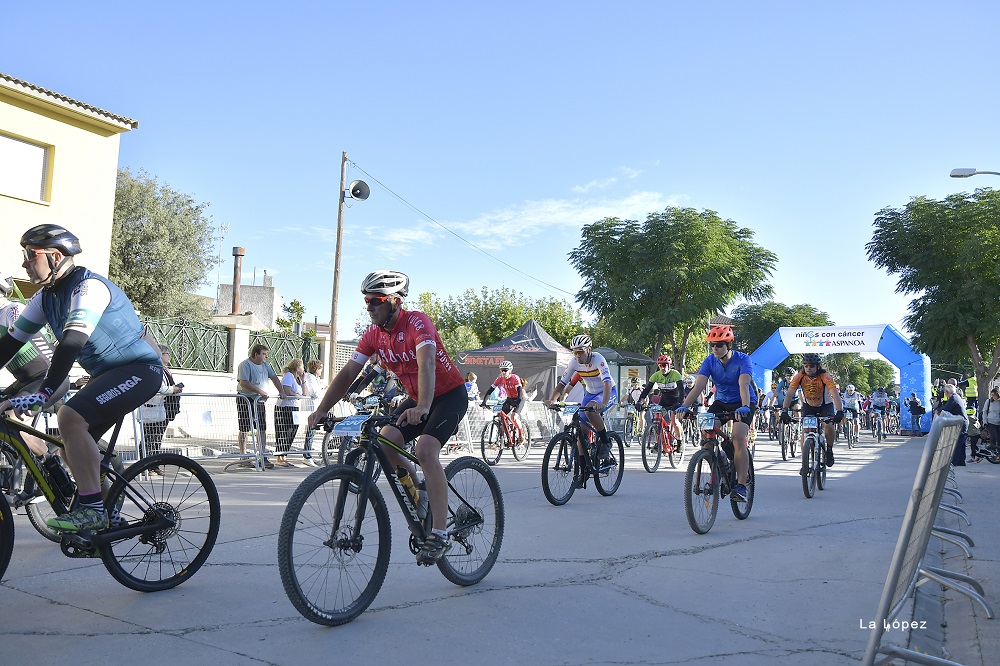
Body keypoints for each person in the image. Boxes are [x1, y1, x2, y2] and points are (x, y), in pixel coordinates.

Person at [0, 225, 163, 533]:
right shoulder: (45, 298)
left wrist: (45, 392)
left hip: (140, 370)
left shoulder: (88, 288)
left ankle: (91, 510)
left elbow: (71, 342)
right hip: (109, 375)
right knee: (67, 446)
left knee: (69, 417)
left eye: (29, 255)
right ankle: (108, 516)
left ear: (55, 256)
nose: (24, 262)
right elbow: (8, 345)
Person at [307, 270, 468, 566]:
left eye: (375, 301)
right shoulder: (374, 336)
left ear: (394, 301)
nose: (369, 307)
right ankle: (420, 493)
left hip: (448, 395)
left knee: (425, 449)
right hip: (420, 398)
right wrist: (322, 408)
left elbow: (428, 363)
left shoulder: (418, 322)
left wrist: (423, 406)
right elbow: (348, 374)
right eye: (366, 301)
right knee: (385, 441)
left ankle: (440, 533)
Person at [676, 325, 756, 502]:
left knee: (738, 437)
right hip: (721, 401)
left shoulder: (743, 360)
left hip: (744, 401)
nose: (715, 348)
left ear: (729, 345)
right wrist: (685, 406)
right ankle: (723, 466)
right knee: (707, 437)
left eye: (719, 345)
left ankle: (741, 485)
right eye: (712, 345)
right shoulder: (709, 361)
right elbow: (698, 386)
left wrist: (744, 406)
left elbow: (743, 385)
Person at [0, 270, 70, 458]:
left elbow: (15, 342)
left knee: (13, 421)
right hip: (25, 382)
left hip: (48, 379)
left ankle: (50, 464)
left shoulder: (11, 309)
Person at [545, 334, 618, 481]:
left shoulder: (598, 359)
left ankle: (605, 441)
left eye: (580, 352)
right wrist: (553, 399)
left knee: (592, 410)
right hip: (590, 394)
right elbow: (562, 383)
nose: (577, 355)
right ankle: (583, 471)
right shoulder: (574, 362)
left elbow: (607, 383)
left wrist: (603, 403)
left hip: (607, 392)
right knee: (581, 433)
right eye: (575, 352)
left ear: (589, 350)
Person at [780, 353, 843, 473]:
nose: (808, 368)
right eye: (806, 365)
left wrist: (839, 411)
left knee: (828, 426)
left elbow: (835, 394)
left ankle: (829, 450)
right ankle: (805, 462)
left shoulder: (825, 377)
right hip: (809, 406)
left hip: (825, 405)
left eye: (812, 366)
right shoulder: (799, 377)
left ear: (818, 366)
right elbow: (789, 394)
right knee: (805, 430)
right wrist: (784, 410)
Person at [236, 343, 282, 469]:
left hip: (259, 401)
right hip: (246, 399)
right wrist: (260, 391)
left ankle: (262, 455)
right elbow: (244, 382)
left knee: (262, 428)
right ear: (256, 354)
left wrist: (281, 391)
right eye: (263, 354)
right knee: (244, 427)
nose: (266, 356)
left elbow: (274, 378)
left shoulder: (265, 366)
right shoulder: (245, 365)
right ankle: (243, 456)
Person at [140, 345, 183, 475]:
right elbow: (159, 387)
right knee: (148, 438)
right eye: (167, 353)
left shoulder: (165, 370)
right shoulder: (152, 368)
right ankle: (144, 467)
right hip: (150, 408)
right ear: (160, 354)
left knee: (157, 438)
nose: (169, 356)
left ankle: (154, 465)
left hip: (161, 407)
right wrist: (172, 390)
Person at [635, 354, 684, 445]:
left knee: (674, 420)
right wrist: (640, 401)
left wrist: (680, 403)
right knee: (657, 421)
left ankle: (680, 440)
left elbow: (681, 391)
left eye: (665, 365)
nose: (662, 368)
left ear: (669, 365)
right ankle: (658, 443)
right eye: (660, 365)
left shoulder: (675, 374)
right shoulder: (656, 376)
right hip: (664, 400)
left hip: (675, 400)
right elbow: (646, 390)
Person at [480, 361, 526, 442]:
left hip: (519, 398)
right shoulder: (499, 379)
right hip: (509, 399)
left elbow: (519, 392)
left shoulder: (515, 378)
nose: (503, 372)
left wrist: (517, 403)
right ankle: (504, 437)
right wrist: (484, 402)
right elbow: (490, 390)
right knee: (501, 417)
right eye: (501, 370)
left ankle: (521, 434)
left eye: (505, 370)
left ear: (510, 370)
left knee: (514, 417)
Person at [274, 358, 305, 467]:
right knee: (283, 430)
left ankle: (284, 455)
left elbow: (305, 393)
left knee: (293, 430)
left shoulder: (298, 379)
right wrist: (297, 396)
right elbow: (287, 391)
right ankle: (279, 457)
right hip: (285, 407)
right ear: (297, 367)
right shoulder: (288, 376)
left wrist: (303, 379)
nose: (303, 369)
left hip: (295, 407)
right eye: (302, 367)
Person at [299, 359, 325, 466]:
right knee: (311, 431)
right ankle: (307, 456)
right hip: (311, 408)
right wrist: (324, 390)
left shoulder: (315, 378)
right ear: (316, 369)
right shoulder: (309, 378)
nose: (321, 372)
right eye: (320, 369)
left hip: (315, 407)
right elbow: (316, 393)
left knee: (312, 432)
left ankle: (309, 454)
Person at [936, 383, 969, 466]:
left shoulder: (953, 398)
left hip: (961, 422)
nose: (945, 394)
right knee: (961, 442)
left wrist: (938, 410)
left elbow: (947, 408)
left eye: (945, 392)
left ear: (947, 391)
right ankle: (961, 460)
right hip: (963, 421)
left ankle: (954, 461)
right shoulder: (956, 396)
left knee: (957, 442)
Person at [978, 386, 1000, 460]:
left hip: (998, 422)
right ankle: (992, 454)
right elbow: (984, 411)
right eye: (992, 395)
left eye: (995, 395)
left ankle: (998, 454)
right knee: (993, 438)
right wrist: (984, 421)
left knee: (999, 439)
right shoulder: (989, 401)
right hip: (990, 422)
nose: (993, 396)